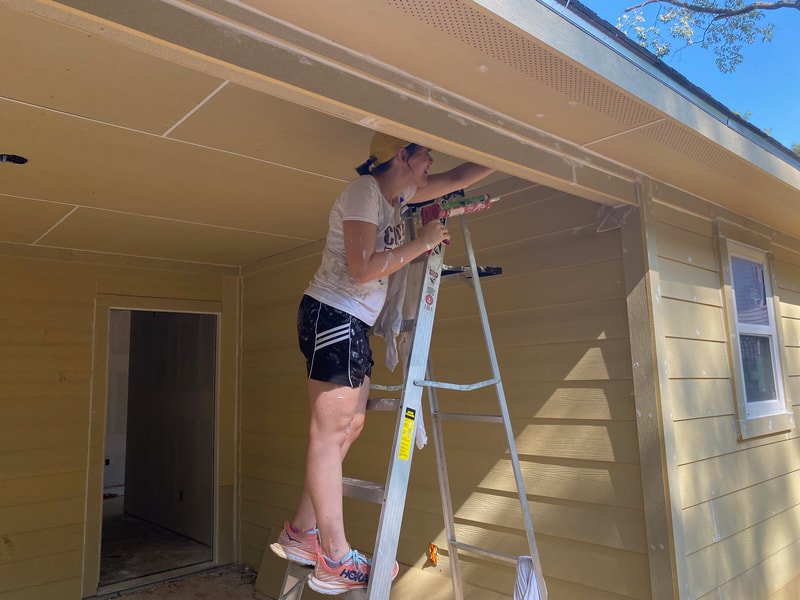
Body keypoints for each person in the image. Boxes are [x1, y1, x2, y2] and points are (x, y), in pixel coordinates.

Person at [270, 131, 493, 595]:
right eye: (424, 150)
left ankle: (302, 532)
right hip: (333, 313)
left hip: (352, 323)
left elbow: (457, 176)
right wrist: (423, 241)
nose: (432, 158)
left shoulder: (400, 195)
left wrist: (507, 151)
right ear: (401, 155)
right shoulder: (363, 194)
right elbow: (362, 268)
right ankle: (334, 557)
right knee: (328, 434)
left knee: (349, 428)